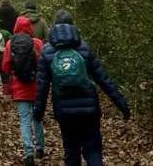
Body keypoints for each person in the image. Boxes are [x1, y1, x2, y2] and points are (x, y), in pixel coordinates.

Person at [33, 10, 130, 166]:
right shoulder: (84, 48)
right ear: (73, 25)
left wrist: (38, 113)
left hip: (64, 111)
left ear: (53, 26)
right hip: (89, 110)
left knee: (71, 151)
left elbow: (42, 86)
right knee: (92, 150)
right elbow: (103, 79)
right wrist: (122, 105)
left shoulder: (47, 52)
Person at [2, 16, 45, 165]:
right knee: (37, 118)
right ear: (29, 28)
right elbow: (44, 64)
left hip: (19, 87)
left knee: (25, 120)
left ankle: (28, 153)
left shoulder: (10, 44)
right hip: (36, 87)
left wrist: (8, 89)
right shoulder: (38, 43)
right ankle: (40, 148)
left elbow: (5, 67)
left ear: (15, 27)